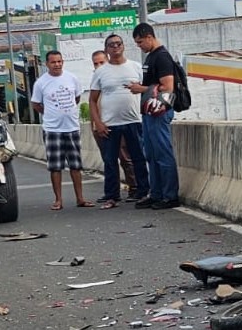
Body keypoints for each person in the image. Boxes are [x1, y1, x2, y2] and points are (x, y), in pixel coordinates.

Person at [126, 23, 181, 209]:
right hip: (149, 111)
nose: (139, 46)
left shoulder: (162, 57)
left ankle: (170, 195)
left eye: (140, 42)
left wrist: (140, 89)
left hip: (160, 110)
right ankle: (156, 193)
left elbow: (167, 87)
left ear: (149, 37)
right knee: (150, 153)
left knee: (162, 152)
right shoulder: (151, 57)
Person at [89, 39, 148, 209]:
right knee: (110, 161)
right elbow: (92, 100)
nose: (115, 47)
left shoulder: (136, 67)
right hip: (110, 123)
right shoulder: (101, 72)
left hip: (134, 120)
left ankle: (143, 192)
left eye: (118, 44)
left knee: (138, 158)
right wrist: (98, 123)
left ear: (123, 46)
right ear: (106, 49)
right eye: (111, 45)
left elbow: (146, 91)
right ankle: (112, 196)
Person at [30, 49, 92, 210]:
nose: (57, 64)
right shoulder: (41, 83)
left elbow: (77, 97)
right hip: (52, 129)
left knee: (75, 165)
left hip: (71, 127)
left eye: (59, 61)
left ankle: (80, 198)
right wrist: (50, 113)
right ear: (47, 64)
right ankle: (58, 200)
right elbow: (36, 104)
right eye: (53, 62)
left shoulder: (72, 78)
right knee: (55, 166)